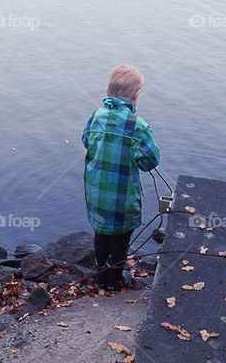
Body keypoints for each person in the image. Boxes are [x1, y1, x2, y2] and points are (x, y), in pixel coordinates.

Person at [82, 64, 161, 290]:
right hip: (123, 197)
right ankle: (115, 278)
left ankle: (100, 275)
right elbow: (150, 161)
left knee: (102, 232)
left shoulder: (96, 116)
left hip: (97, 192)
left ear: (107, 91)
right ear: (136, 94)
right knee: (121, 236)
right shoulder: (138, 126)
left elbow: (86, 141)